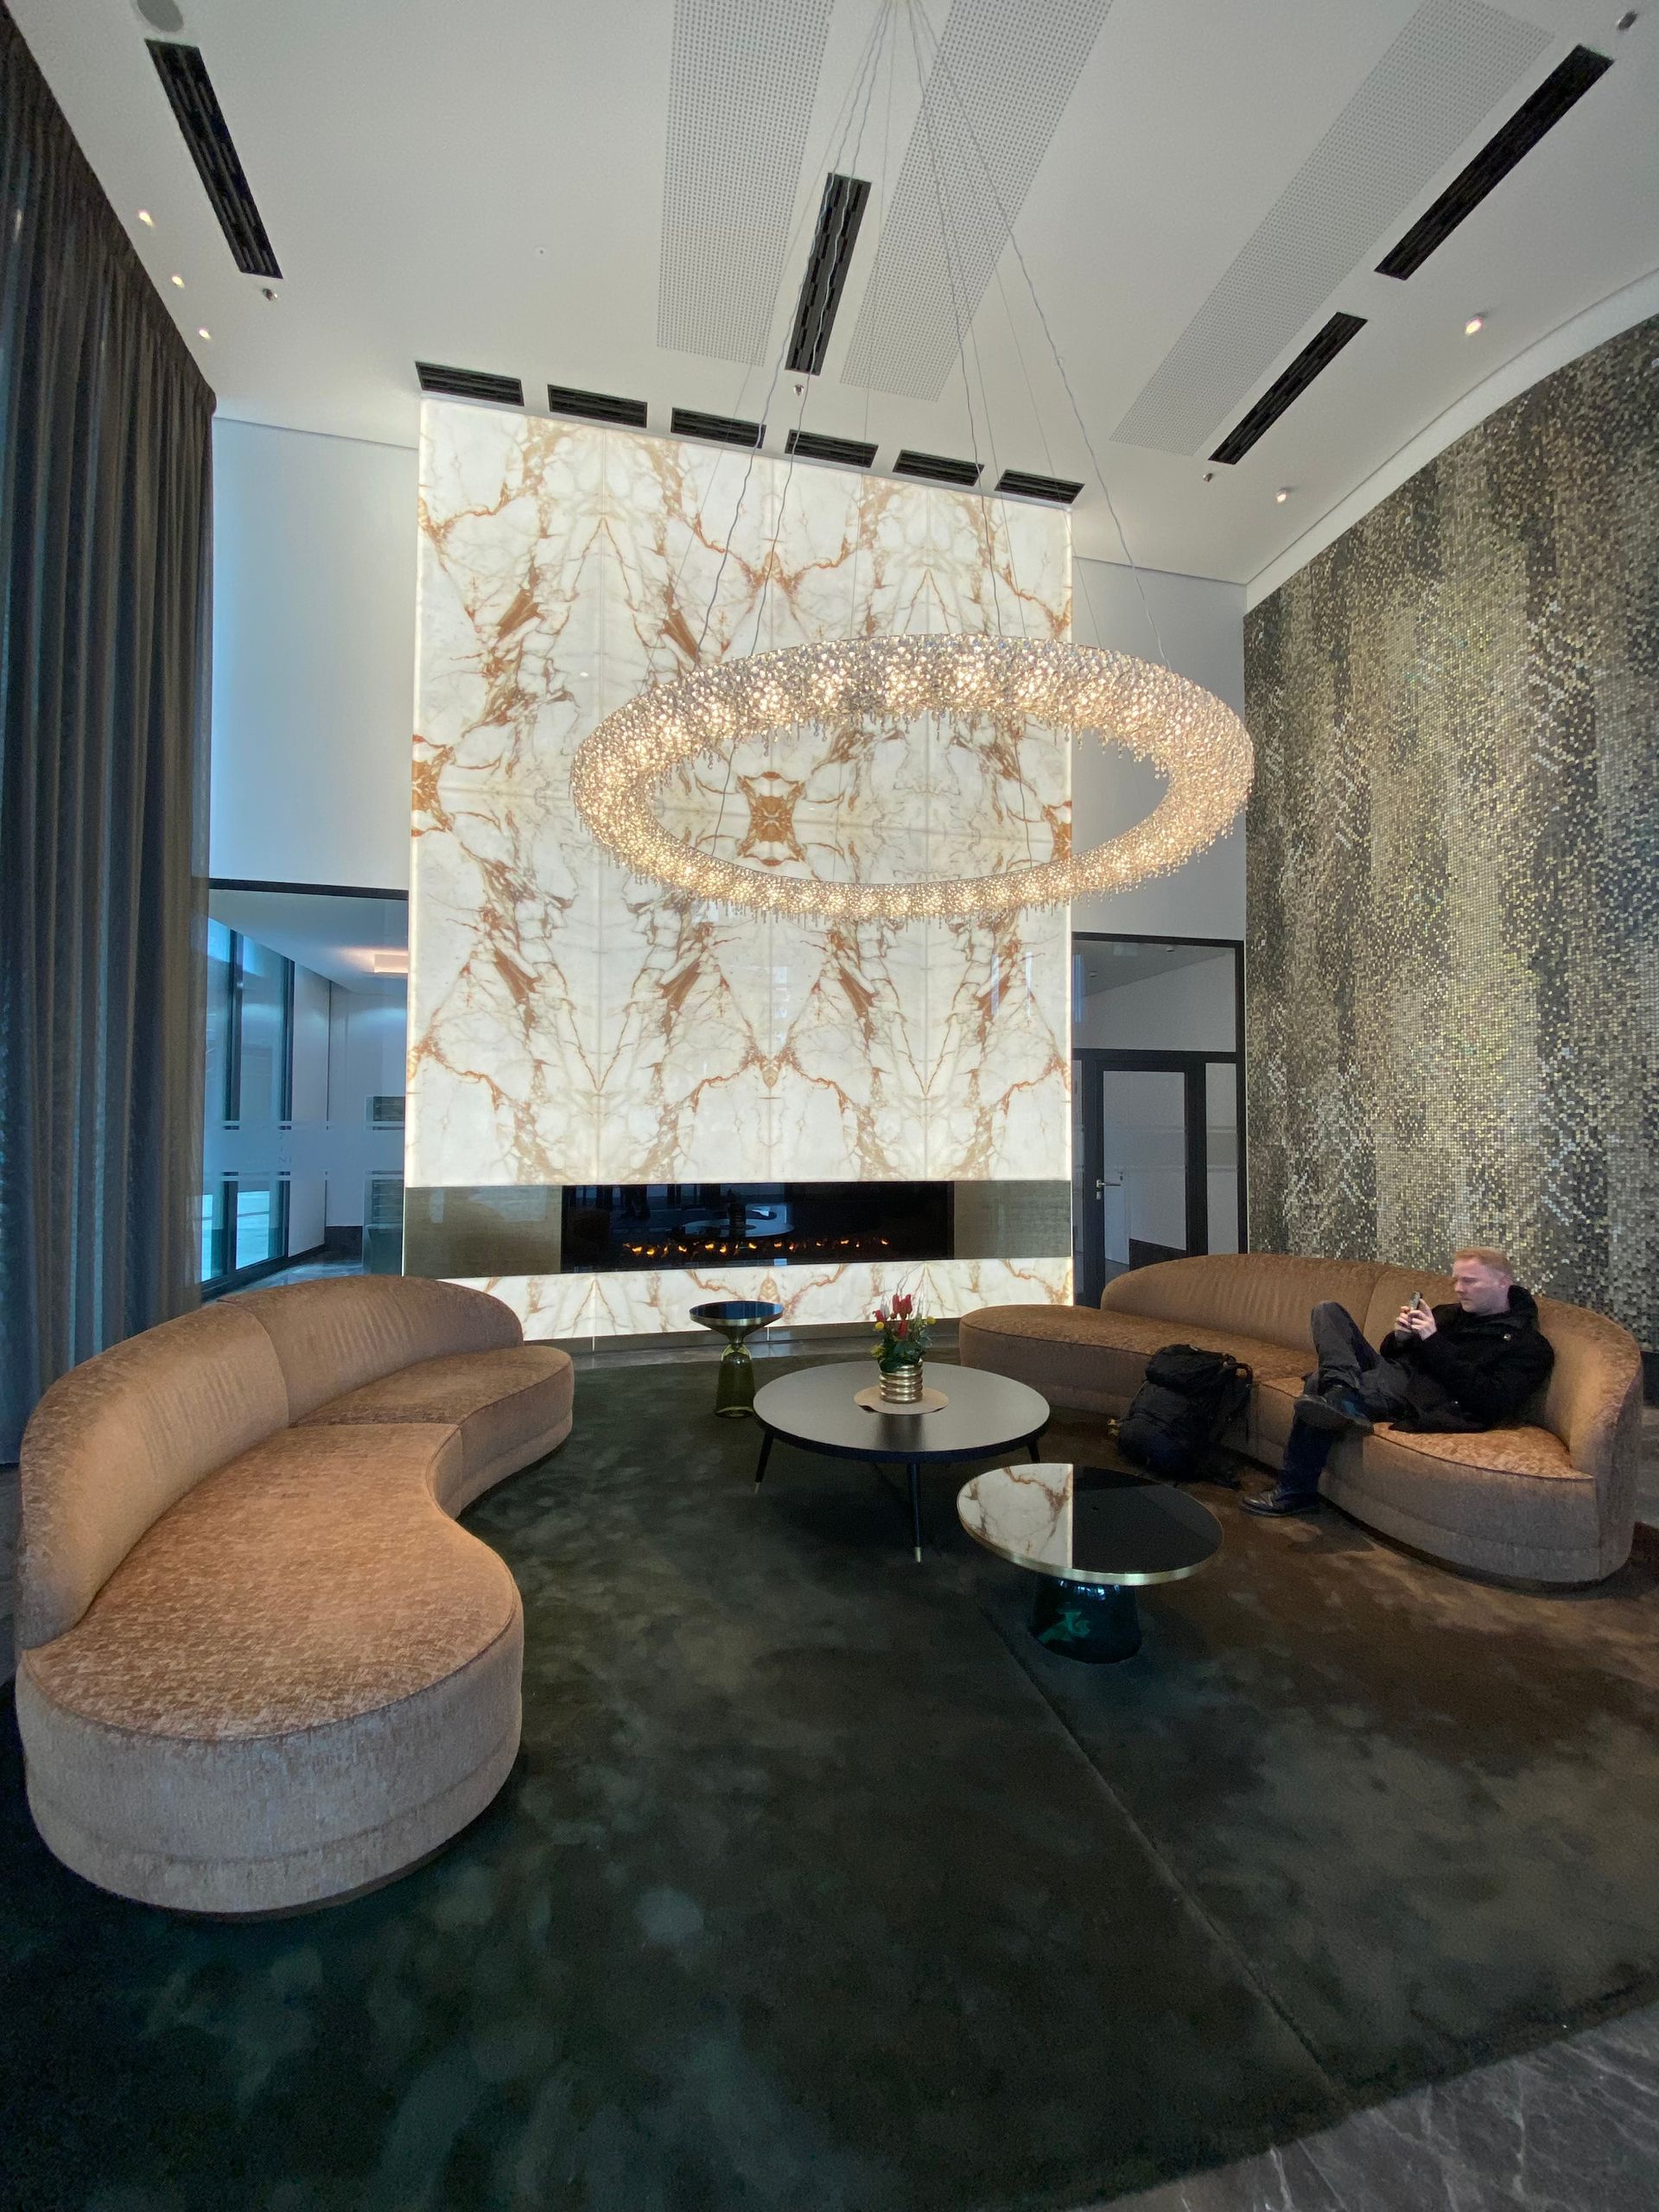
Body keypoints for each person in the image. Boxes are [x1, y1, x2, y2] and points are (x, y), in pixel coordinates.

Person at [1242, 1248, 1554, 1517]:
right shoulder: (1450, 1313)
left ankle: (1296, 1490)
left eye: (1469, 1281)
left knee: (1317, 1382)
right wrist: (1401, 1337)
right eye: (1456, 1280)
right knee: (1327, 1311)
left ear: (1503, 1282)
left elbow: (1491, 1399)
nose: (1459, 1289)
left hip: (1420, 1397)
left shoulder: (1528, 1346)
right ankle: (1341, 1393)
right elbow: (1390, 1354)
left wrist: (1433, 1340)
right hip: (1394, 1373)